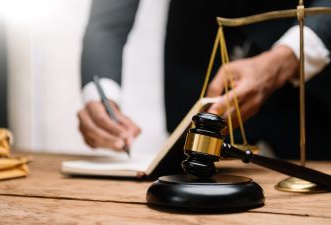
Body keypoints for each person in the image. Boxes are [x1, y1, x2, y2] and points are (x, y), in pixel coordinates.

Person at [78, 0, 331, 159]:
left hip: (314, 92)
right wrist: (100, 95)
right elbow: (107, 24)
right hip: (197, 87)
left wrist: (287, 57)